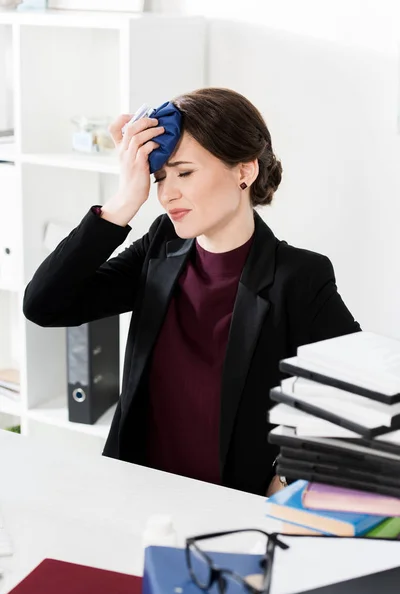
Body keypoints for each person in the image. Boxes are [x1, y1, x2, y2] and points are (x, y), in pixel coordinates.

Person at [23, 87, 361, 496]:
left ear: (244, 171)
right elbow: (44, 305)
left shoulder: (299, 276)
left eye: (184, 173)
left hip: (232, 508)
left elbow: (357, 396)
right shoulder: (161, 245)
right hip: (138, 492)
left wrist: (289, 474)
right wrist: (124, 201)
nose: (167, 194)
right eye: (160, 177)